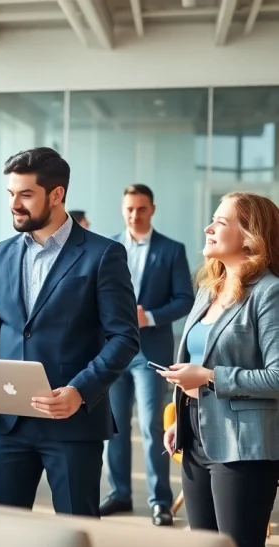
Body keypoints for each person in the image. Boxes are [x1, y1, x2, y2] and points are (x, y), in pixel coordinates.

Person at [0, 147, 140, 517]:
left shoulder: (103, 254)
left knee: (76, 531)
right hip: (6, 423)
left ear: (57, 194)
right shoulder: (1, 253)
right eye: (11, 194)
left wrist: (79, 391)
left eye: (26, 194)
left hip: (72, 424)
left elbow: (124, 338)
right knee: (4, 536)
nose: (15, 204)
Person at [162, 192, 279, 547]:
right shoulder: (207, 290)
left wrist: (210, 377)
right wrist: (179, 419)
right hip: (195, 438)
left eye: (220, 222)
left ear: (250, 236)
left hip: (243, 448)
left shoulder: (269, 292)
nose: (207, 228)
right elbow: (195, 360)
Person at [102, 184, 193, 526]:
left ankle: (160, 501)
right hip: (113, 351)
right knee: (115, 428)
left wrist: (150, 316)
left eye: (141, 209)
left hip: (150, 352)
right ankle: (120, 493)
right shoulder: (108, 247)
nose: (134, 215)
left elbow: (185, 298)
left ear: (152, 209)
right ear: (122, 209)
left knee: (154, 427)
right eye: (129, 209)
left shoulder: (171, 250)